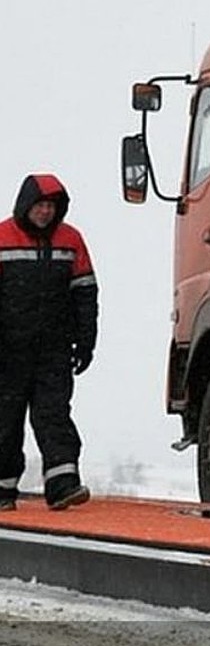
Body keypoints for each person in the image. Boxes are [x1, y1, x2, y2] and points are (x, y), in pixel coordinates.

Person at [0, 174, 98, 511]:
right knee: (5, 418)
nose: (44, 212)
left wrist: (86, 341)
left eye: (50, 206)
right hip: (8, 351)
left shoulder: (71, 240)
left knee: (54, 415)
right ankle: (2, 490)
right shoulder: (2, 236)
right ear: (26, 205)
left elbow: (85, 293)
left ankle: (62, 485)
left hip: (53, 350)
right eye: (40, 205)